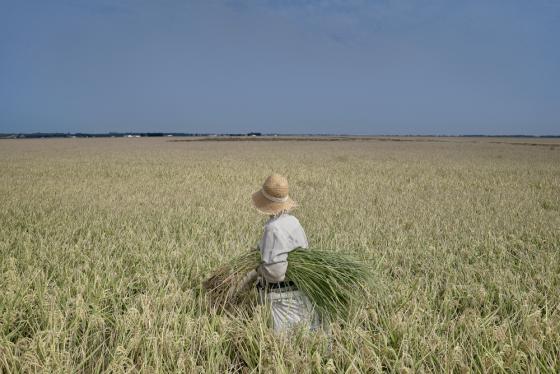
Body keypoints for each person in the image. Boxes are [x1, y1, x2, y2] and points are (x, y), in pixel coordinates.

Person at [236, 173, 322, 332]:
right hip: (298, 294)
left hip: (282, 300)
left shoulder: (273, 228)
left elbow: (275, 273)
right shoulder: (293, 221)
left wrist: (258, 269)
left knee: (284, 342)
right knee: (302, 340)